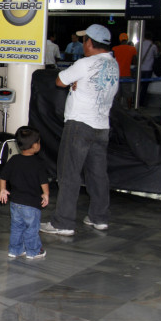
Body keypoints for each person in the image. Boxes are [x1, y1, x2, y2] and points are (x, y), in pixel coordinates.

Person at [40, 24, 119, 236]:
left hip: (79, 125)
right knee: (98, 174)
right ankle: (99, 218)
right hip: (101, 126)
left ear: (90, 43)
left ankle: (63, 223)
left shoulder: (84, 63)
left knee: (69, 174)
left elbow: (59, 81)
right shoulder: (113, 64)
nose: (83, 44)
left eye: (85, 40)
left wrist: (74, 80)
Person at [0, 126, 49, 260]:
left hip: (15, 203)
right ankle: (33, 251)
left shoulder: (14, 160)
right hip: (31, 204)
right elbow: (43, 181)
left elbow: (3, 176)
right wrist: (46, 194)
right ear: (34, 146)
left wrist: (3, 189)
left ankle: (15, 250)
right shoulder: (38, 163)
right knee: (32, 228)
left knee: (16, 227)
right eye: (38, 142)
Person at [112, 32, 137, 109]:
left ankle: (118, 110)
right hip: (127, 74)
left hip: (116, 74)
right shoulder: (132, 49)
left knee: (117, 94)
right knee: (128, 94)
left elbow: (112, 60)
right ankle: (130, 109)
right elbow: (135, 61)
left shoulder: (114, 48)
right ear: (127, 39)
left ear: (120, 40)